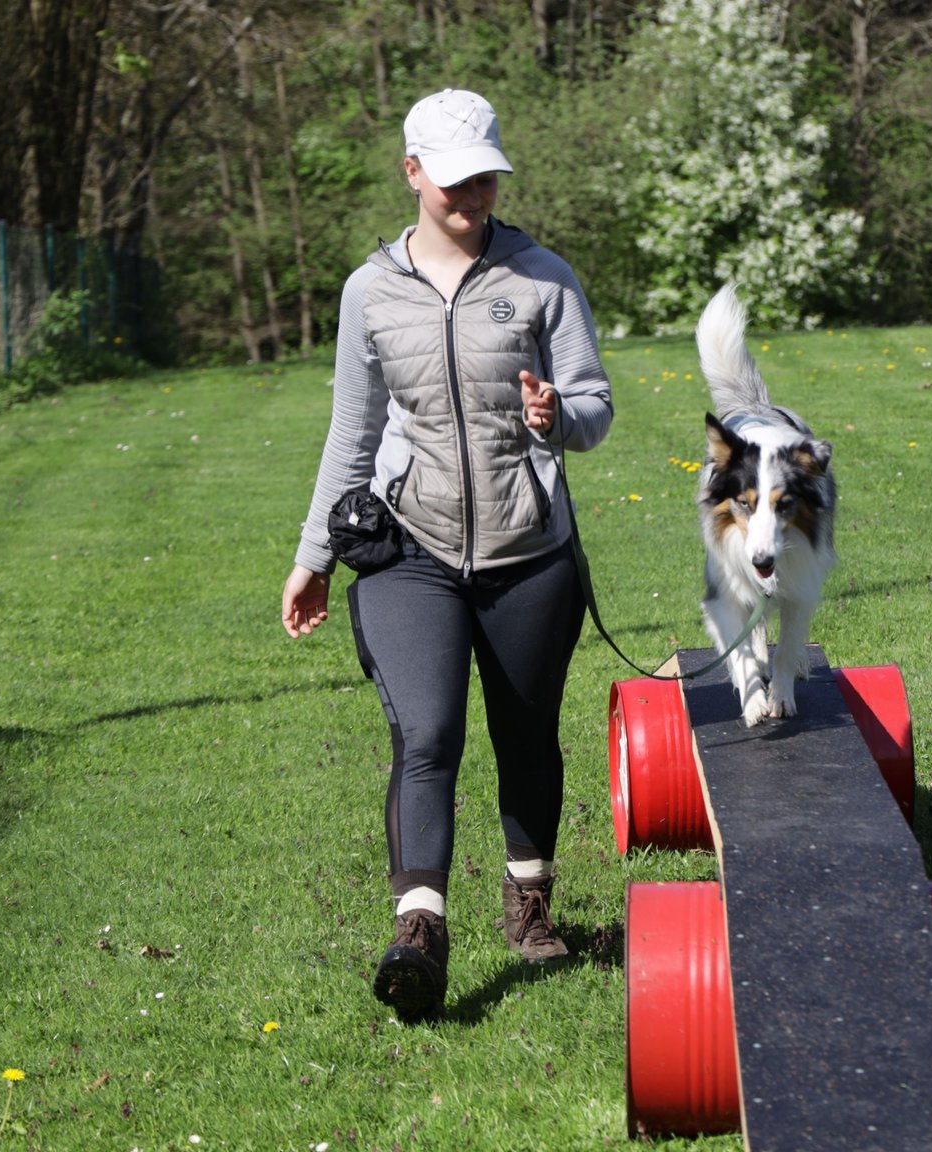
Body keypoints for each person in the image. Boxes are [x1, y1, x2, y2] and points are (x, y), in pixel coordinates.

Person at [280, 88, 613, 1023]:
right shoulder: (369, 291)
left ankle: (530, 898)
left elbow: (594, 403)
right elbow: (352, 434)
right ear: (414, 172)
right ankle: (419, 927)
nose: (473, 194)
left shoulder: (542, 278)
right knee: (427, 734)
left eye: (486, 176)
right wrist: (313, 555)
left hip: (528, 549)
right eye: (455, 177)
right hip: (409, 547)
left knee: (525, 731)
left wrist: (561, 416)